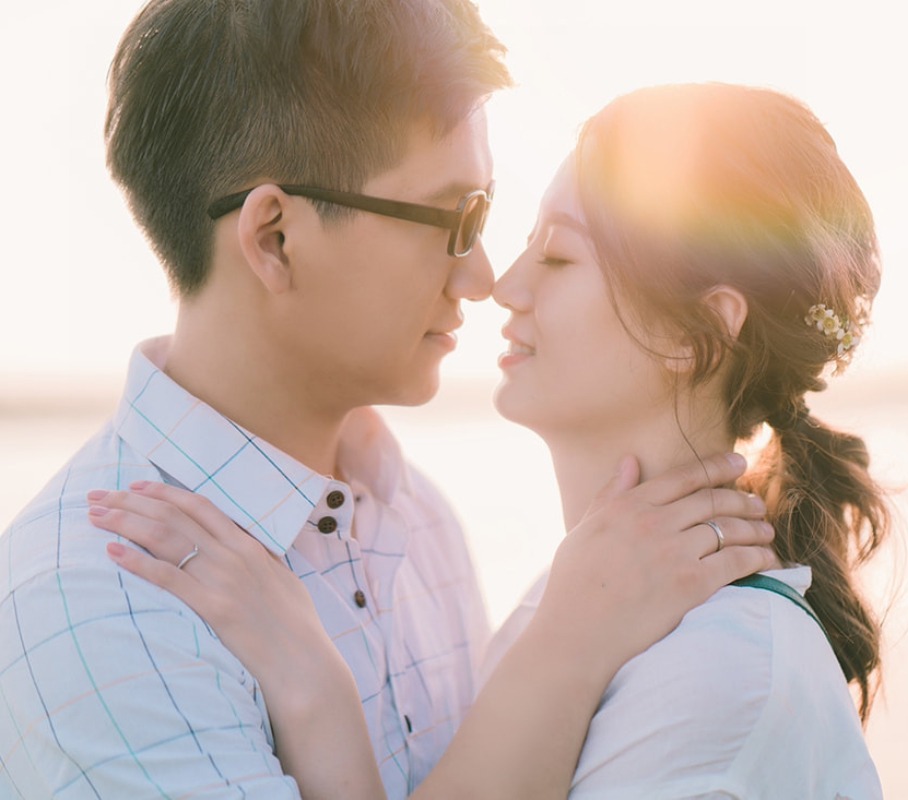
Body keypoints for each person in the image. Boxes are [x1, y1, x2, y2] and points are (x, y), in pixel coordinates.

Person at [0, 2, 776, 797]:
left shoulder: (415, 519)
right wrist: (566, 648)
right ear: (276, 238)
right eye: (454, 218)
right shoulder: (107, 603)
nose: (482, 280)